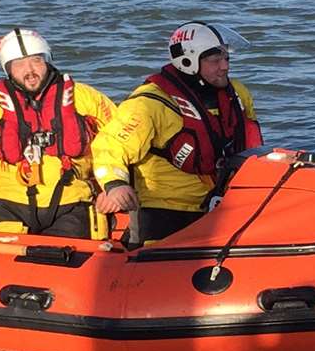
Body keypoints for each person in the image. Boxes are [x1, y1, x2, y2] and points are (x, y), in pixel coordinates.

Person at [90, 21, 262, 244]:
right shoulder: (150, 103)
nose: (224, 66)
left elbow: (251, 145)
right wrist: (115, 185)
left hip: (221, 203)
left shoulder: (237, 94)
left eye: (226, 58)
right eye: (215, 60)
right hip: (164, 208)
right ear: (188, 60)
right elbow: (110, 146)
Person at [0, 28, 117, 238]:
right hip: (10, 202)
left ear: (48, 60)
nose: (29, 70)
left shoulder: (85, 97)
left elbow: (119, 140)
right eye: (19, 64)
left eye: (36, 61)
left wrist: (113, 186)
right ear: (8, 70)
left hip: (72, 200)